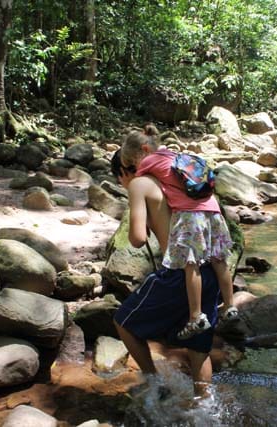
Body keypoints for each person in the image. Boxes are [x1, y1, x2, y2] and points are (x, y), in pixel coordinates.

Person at [110, 149, 221, 392]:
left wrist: (140, 224)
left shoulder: (140, 184)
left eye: (120, 179)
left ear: (123, 172)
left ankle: (155, 383)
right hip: (209, 271)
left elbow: (138, 239)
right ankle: (204, 406)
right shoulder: (179, 182)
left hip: (178, 273)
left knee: (123, 322)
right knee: (198, 348)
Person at [120, 125, 238, 340]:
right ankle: (230, 306)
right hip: (212, 210)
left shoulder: (148, 162)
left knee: (190, 264)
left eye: (131, 162)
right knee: (219, 260)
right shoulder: (174, 155)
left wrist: (130, 181)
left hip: (191, 215)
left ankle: (195, 316)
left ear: (144, 150)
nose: (133, 167)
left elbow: (139, 181)